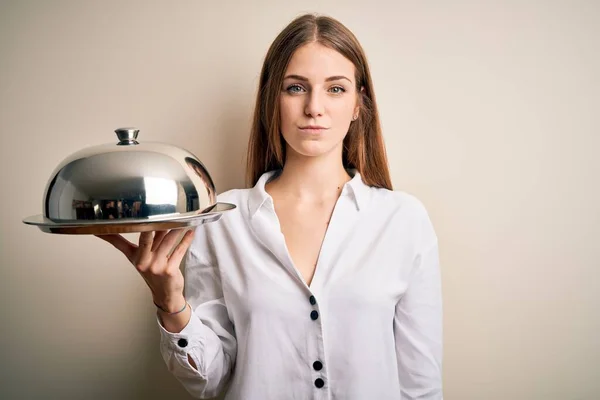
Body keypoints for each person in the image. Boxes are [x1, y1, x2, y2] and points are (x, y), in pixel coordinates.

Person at [97, 13, 443, 400]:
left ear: (359, 104)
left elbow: (421, 387)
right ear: (271, 100)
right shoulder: (222, 219)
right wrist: (169, 300)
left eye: (335, 89)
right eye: (295, 88)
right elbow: (210, 379)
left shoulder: (403, 220)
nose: (314, 107)